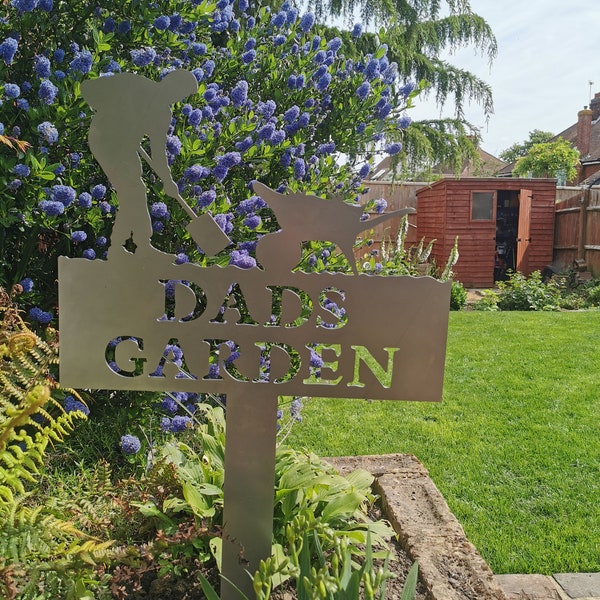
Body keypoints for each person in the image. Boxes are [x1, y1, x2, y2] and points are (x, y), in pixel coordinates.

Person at [81, 69, 198, 256]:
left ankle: (124, 244)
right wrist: (106, 108)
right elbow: (88, 88)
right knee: (132, 189)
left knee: (135, 191)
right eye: (180, 93)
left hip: (126, 149)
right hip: (104, 139)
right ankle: (137, 245)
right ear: (170, 84)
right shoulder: (133, 84)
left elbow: (158, 153)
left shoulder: (162, 114)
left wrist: (168, 181)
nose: (178, 98)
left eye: (181, 96)